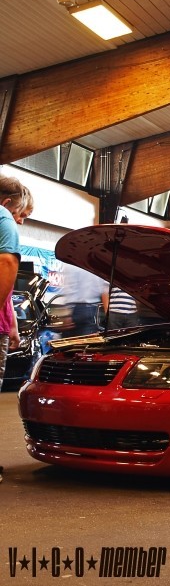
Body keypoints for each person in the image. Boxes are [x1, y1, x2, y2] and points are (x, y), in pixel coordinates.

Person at [0, 176, 28, 484]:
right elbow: (8, 262)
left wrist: (13, 323)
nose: (19, 221)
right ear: (8, 202)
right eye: (20, 214)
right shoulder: (2, 217)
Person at [59, 262, 107, 337]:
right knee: (86, 340)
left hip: (77, 308)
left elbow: (70, 288)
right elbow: (102, 289)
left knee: (69, 341)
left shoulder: (72, 263)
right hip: (93, 308)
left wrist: (67, 314)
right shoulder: (96, 265)